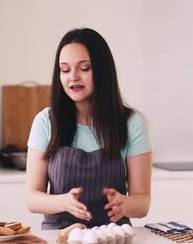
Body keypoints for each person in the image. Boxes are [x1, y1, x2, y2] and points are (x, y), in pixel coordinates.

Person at [25, 28, 153, 230]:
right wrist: (62, 202)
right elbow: (32, 198)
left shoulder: (131, 123)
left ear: (103, 71)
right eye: (65, 70)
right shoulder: (46, 122)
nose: (73, 77)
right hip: (59, 239)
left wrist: (125, 204)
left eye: (84, 68)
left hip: (114, 238)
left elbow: (142, 202)